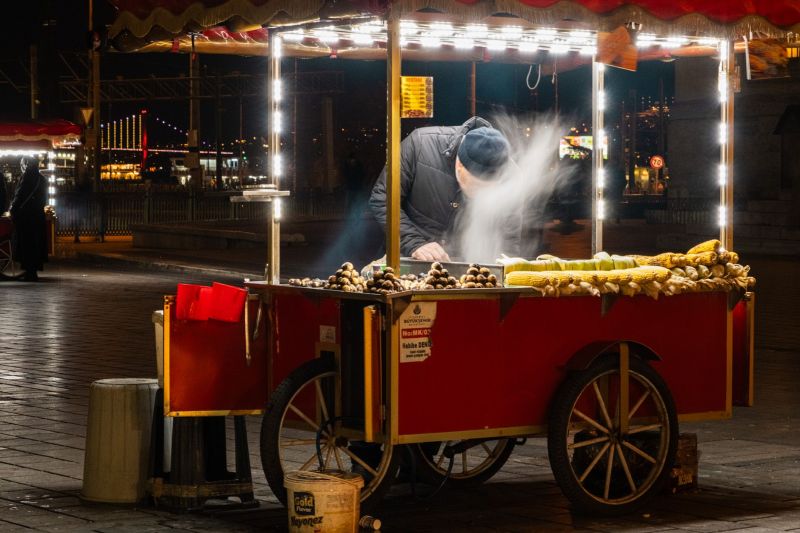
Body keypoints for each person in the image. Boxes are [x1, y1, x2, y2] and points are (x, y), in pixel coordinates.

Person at [369, 117, 519, 262]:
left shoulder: (511, 175)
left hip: (465, 269)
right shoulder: (420, 144)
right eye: (475, 186)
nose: (479, 196)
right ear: (459, 165)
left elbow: (509, 236)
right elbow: (382, 199)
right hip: (408, 259)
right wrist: (414, 243)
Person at [9, 156, 47, 281]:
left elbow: (20, 195)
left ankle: (28, 270)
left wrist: (13, 209)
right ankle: (33, 271)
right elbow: (44, 200)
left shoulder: (26, 177)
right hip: (38, 216)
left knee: (26, 244)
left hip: (26, 217)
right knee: (36, 244)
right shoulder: (42, 179)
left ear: (26, 165)